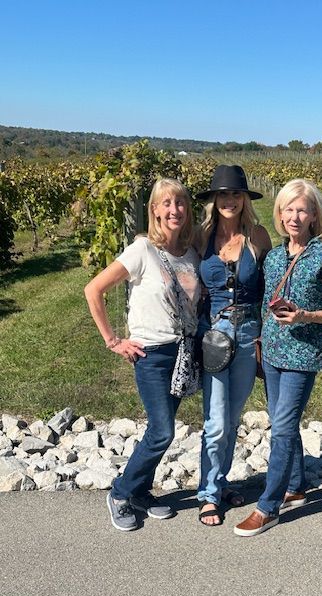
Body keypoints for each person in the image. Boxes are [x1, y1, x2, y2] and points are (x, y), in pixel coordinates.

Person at [234, 178, 322, 537]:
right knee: (282, 422)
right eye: (288, 209)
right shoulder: (273, 257)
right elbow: (265, 303)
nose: (294, 216)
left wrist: (306, 316)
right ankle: (296, 487)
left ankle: (268, 507)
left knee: (282, 428)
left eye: (302, 209)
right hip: (270, 353)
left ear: (314, 215)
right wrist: (258, 341)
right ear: (280, 214)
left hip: (302, 355)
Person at [84, 178, 201, 532]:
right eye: (165, 203)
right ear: (154, 210)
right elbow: (94, 290)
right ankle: (120, 492)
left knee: (157, 428)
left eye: (179, 203)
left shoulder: (191, 252)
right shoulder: (142, 250)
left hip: (182, 352)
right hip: (150, 355)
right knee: (163, 431)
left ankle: (139, 492)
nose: (173, 210)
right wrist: (113, 340)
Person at [195, 165, 272, 526]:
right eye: (222, 194)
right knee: (215, 420)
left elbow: (270, 287)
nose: (229, 200)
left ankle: (220, 481)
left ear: (244, 199)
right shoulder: (201, 237)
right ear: (214, 199)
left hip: (248, 334)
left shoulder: (257, 236)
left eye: (235, 194)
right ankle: (208, 494)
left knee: (232, 416)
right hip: (213, 335)